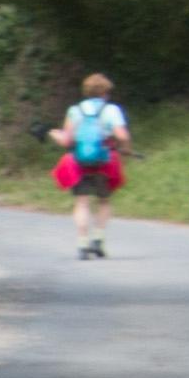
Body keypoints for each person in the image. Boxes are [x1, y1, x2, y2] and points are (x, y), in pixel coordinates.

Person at [51, 74, 131, 256]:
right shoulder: (111, 110)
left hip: (79, 162)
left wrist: (55, 134)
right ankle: (98, 240)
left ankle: (82, 244)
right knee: (104, 201)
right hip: (104, 163)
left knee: (82, 203)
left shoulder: (75, 110)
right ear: (104, 92)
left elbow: (66, 141)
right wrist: (124, 150)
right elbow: (123, 136)